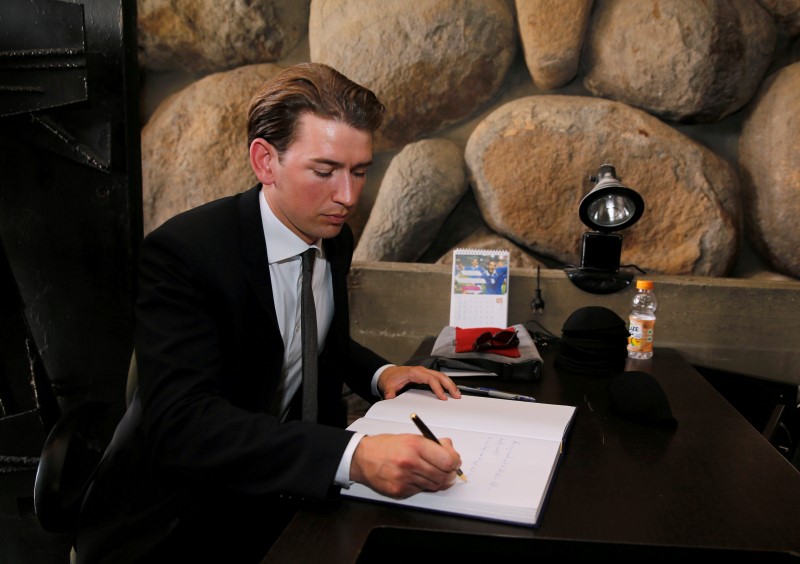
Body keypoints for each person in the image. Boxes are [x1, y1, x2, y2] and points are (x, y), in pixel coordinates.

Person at [76, 63, 463, 564]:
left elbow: (316, 339)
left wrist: (382, 373)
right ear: (265, 161)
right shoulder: (183, 253)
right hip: (179, 515)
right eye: (324, 172)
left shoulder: (332, 233)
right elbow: (184, 424)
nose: (347, 196)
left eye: (360, 171)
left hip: (287, 490)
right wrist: (352, 456)